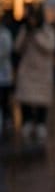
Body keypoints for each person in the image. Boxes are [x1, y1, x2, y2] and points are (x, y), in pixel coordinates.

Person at [15, 6, 55, 145]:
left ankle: (40, 123)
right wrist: (27, 35)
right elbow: (17, 48)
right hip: (27, 70)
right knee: (25, 98)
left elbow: (50, 46)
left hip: (42, 72)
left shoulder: (48, 31)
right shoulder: (25, 31)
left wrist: (37, 35)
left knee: (41, 100)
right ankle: (27, 121)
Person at [0, 14, 12, 142]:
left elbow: (6, 51)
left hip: (3, 73)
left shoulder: (5, 34)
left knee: (4, 98)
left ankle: (6, 118)